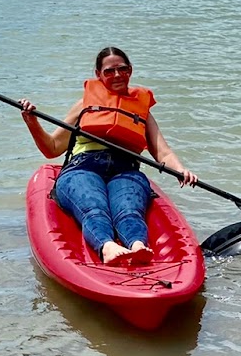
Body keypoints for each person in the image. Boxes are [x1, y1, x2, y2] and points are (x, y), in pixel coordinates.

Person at [20, 46, 197, 266]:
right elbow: (53, 147)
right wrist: (32, 121)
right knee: (94, 205)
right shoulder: (85, 104)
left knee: (129, 209)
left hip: (125, 170)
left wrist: (181, 170)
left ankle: (137, 245)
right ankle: (107, 246)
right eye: (109, 71)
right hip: (83, 168)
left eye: (122, 69)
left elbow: (162, 151)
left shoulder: (141, 110)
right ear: (98, 75)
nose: (117, 75)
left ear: (130, 70)